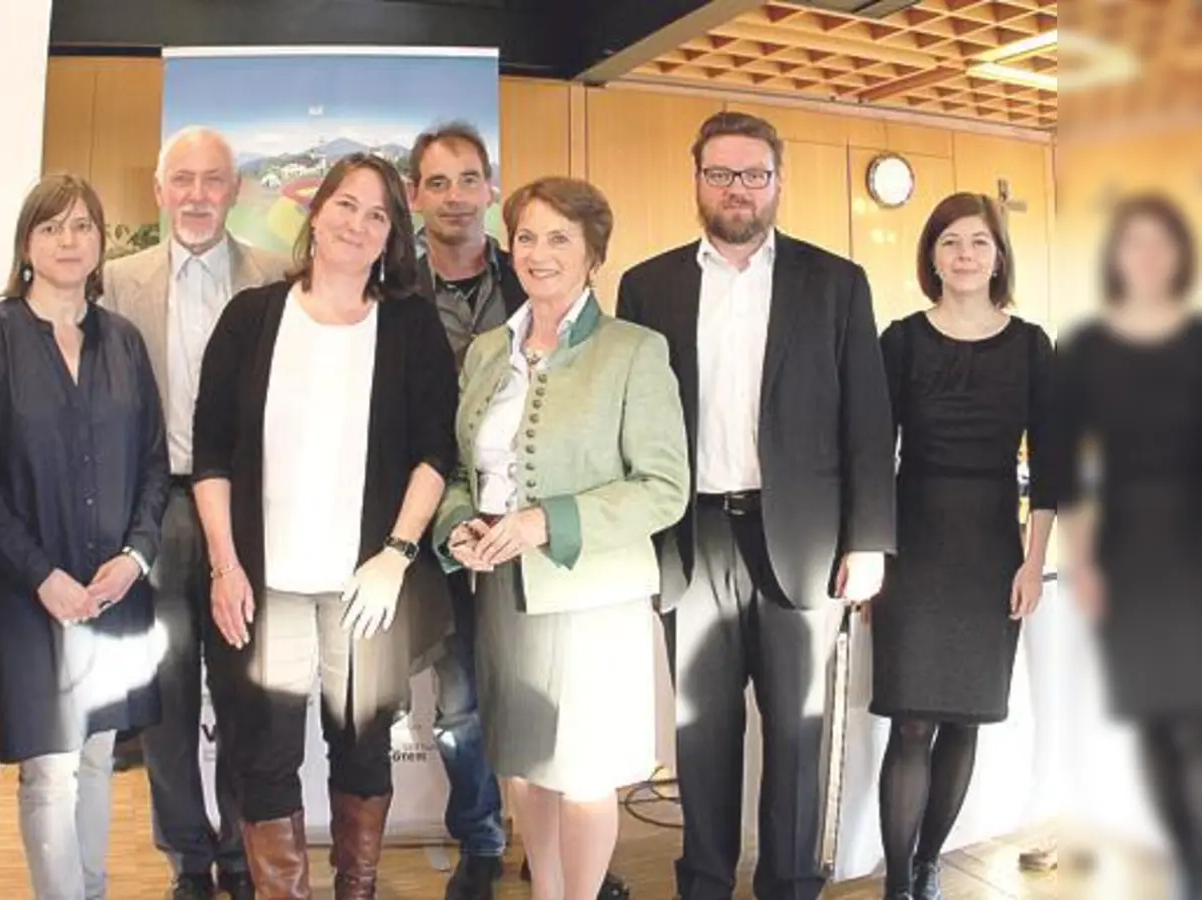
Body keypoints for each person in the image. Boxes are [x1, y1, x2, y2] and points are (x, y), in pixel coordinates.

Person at [616, 110, 896, 900]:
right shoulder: (649, 284)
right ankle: (703, 883)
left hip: (804, 540)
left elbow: (868, 420)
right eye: (721, 173)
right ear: (697, 179)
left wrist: (868, 538)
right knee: (701, 735)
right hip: (692, 535)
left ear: (777, 181)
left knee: (798, 736)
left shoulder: (836, 281)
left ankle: (790, 886)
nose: (738, 189)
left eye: (753, 174)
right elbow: (629, 423)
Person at [192, 153, 458, 900]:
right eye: (346, 204)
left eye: (377, 215)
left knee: (364, 755)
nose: (358, 223)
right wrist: (224, 564)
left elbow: (436, 450)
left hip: (364, 591)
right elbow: (210, 452)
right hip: (263, 587)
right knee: (265, 759)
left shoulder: (408, 326)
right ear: (317, 213)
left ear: (390, 239)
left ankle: (356, 891)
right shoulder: (252, 318)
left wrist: (397, 554)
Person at [433, 175, 689, 900]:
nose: (538, 253)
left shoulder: (635, 350)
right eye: (526, 237)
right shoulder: (488, 350)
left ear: (592, 254)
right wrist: (457, 526)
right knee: (520, 765)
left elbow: (664, 487)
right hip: (501, 594)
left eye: (559, 238)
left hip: (592, 598)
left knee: (581, 774)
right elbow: (460, 466)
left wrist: (547, 522)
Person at [0, 174, 169, 900]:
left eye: (84, 226)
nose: (69, 240)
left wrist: (137, 558)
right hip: (29, 595)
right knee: (49, 768)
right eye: (52, 228)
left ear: (102, 243)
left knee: (99, 756)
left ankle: (94, 891)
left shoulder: (126, 343)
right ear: (25, 245)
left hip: (115, 592)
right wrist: (42, 575)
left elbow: (152, 464)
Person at [103, 124, 287, 900]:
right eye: (183, 180)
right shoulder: (113, 282)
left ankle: (243, 856)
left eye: (214, 181)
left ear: (236, 191)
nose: (198, 196)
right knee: (168, 700)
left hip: (249, 516)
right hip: (154, 510)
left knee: (247, 692)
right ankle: (186, 859)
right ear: (158, 190)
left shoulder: (277, 276)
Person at [870, 192, 1058, 900]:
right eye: (950, 242)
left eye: (979, 242)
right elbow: (871, 454)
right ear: (932, 257)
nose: (965, 255)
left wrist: (1034, 560)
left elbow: (1051, 461)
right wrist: (871, 555)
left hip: (991, 544)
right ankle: (896, 880)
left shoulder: (1033, 345)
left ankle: (928, 864)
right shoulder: (902, 339)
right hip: (912, 537)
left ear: (999, 256)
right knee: (912, 717)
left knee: (964, 717)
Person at [1055, 193, 1202, 900]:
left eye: (1160, 243)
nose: (1146, 256)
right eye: (1133, 243)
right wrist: (1081, 562)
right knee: (1156, 720)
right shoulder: (1086, 346)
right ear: (1116, 257)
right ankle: (1190, 864)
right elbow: (1064, 467)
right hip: (1127, 552)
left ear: (1178, 255)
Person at [405, 120, 520, 900]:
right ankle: (480, 837)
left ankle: (558, 839)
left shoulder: (538, 276)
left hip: (530, 526)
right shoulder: (390, 294)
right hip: (433, 529)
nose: (454, 197)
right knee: (461, 697)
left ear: (491, 188)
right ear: (415, 196)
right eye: (437, 182)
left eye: (468, 179)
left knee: (545, 687)